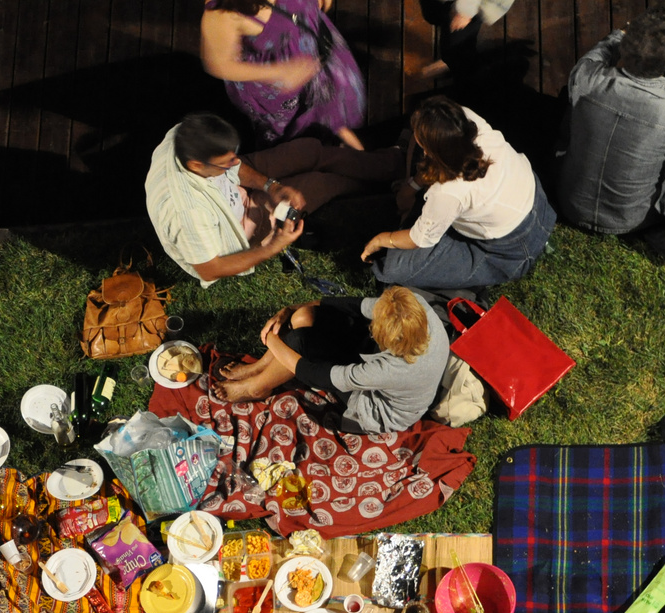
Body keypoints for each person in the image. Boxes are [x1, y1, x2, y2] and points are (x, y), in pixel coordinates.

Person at [146, 113, 404, 287]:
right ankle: (389, 188)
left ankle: (395, 163)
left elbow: (235, 165)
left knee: (309, 150)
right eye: (225, 163)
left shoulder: (184, 135)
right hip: (239, 223)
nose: (234, 163)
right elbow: (209, 268)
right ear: (195, 165)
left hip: (235, 193)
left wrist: (271, 186)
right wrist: (272, 246)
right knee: (321, 183)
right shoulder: (186, 214)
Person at [363, 97, 554, 290]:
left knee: (393, 268)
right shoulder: (466, 121)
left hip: (511, 248)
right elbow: (438, 162)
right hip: (534, 198)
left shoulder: (448, 193)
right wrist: (412, 186)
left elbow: (419, 238)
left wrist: (382, 239)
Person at [214, 287, 450, 435]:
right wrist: (292, 308)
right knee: (305, 316)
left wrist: (271, 340)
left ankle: (258, 386)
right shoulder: (413, 306)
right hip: (378, 363)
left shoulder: (394, 369)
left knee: (300, 341)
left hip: (373, 407)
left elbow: (316, 374)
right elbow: (355, 306)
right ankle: (258, 368)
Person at [556, 7, 665, 235]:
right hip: (636, 219)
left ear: (624, 48)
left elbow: (600, 52)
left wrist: (621, 33)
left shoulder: (585, 79)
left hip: (570, 204)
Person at [200, 0, 367, 150]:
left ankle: (336, 129)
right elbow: (219, 64)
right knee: (294, 130)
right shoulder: (222, 11)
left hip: (311, 46)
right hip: (277, 78)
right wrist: (279, 72)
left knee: (328, 101)